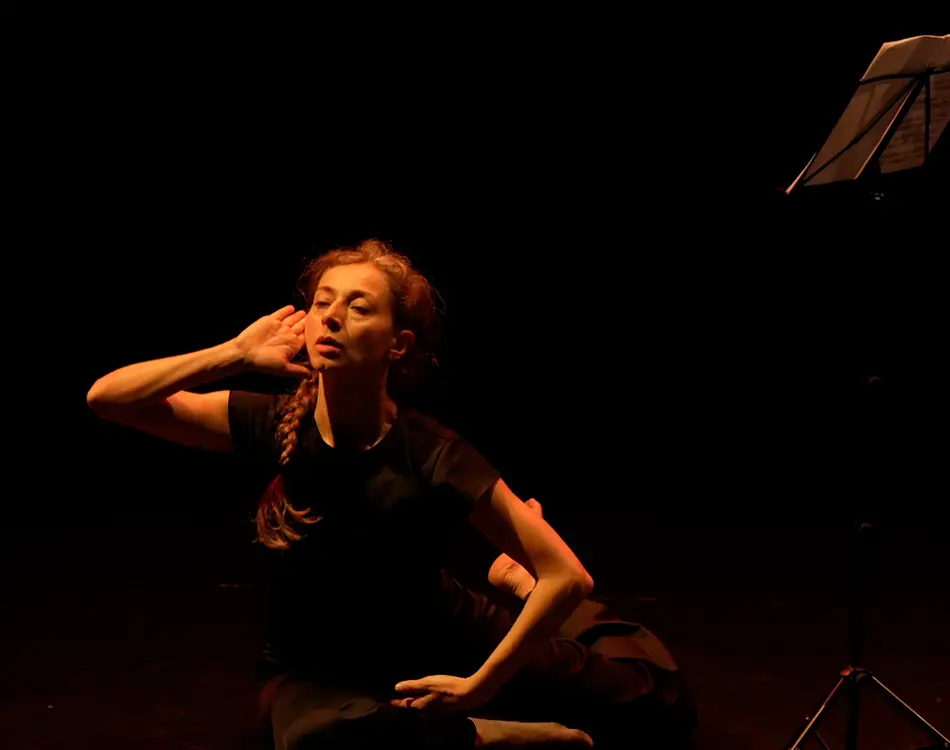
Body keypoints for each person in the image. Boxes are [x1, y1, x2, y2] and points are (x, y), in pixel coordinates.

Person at [86, 239, 696, 749]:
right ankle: (487, 738)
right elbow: (109, 399)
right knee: (318, 741)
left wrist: (481, 683)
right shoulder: (270, 423)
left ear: (397, 343)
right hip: (314, 667)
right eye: (322, 302)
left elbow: (567, 575)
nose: (331, 317)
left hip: (444, 639)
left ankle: (514, 583)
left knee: (660, 705)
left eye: (358, 307)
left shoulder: (431, 452)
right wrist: (234, 353)